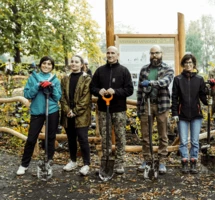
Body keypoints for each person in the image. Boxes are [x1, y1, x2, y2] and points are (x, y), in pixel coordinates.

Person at [90, 46, 133, 174]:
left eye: (112, 53)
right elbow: (92, 87)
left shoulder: (124, 71)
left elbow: (129, 90)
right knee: (105, 136)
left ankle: (120, 163)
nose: (110, 55)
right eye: (108, 53)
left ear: (117, 55)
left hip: (119, 109)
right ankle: (107, 160)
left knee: (120, 136)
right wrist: (99, 91)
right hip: (103, 109)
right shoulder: (99, 71)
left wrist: (117, 91)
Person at [16, 56, 61, 175]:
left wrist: (51, 87)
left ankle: (48, 163)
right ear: (40, 64)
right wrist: (37, 86)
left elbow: (58, 97)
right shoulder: (33, 78)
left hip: (52, 111)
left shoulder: (55, 79)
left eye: (49, 64)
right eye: (44, 63)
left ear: (52, 66)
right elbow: (27, 94)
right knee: (31, 138)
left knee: (50, 138)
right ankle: (24, 164)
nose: (46, 66)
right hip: (37, 111)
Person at [137, 45, 174, 174]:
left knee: (163, 135)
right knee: (146, 135)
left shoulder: (167, 69)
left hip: (161, 105)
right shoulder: (144, 70)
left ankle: (162, 161)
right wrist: (139, 107)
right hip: (146, 105)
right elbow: (140, 90)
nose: (154, 56)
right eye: (152, 53)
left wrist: (152, 83)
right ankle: (147, 160)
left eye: (157, 53)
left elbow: (165, 82)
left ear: (161, 53)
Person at [171, 54, 208, 174]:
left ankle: (193, 161)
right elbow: (174, 97)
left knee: (195, 140)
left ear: (194, 64)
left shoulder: (199, 79)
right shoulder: (178, 79)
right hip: (182, 114)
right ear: (183, 64)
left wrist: (209, 96)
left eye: (190, 62)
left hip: (196, 114)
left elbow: (203, 97)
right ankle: (184, 161)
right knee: (183, 141)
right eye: (186, 62)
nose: (188, 65)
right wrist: (175, 112)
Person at [60, 55, 92, 176]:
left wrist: (75, 111)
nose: (73, 63)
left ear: (81, 64)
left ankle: (86, 164)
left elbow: (85, 98)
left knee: (83, 139)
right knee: (71, 139)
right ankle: (73, 160)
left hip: (81, 115)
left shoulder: (87, 78)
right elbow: (62, 96)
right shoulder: (65, 79)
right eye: (72, 61)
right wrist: (67, 110)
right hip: (68, 115)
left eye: (76, 62)